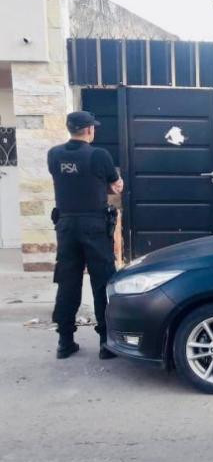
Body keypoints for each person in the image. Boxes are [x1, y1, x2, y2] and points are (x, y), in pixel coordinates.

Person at [47, 111, 123, 359]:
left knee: (67, 282)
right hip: (94, 225)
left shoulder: (54, 155)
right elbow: (115, 186)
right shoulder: (99, 155)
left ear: (70, 129)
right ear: (89, 130)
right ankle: (105, 342)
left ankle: (64, 341)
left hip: (66, 225)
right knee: (102, 281)